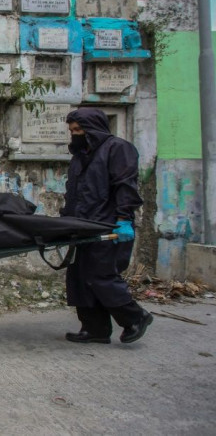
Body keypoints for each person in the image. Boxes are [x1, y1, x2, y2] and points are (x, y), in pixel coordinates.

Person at [61, 107, 153, 344]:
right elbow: (74, 191)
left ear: (94, 128)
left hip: (108, 225)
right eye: (72, 130)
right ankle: (95, 329)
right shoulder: (81, 155)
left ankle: (135, 317)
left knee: (100, 275)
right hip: (82, 225)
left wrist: (123, 220)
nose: (75, 134)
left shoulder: (117, 149)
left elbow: (125, 186)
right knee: (80, 276)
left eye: (79, 129)